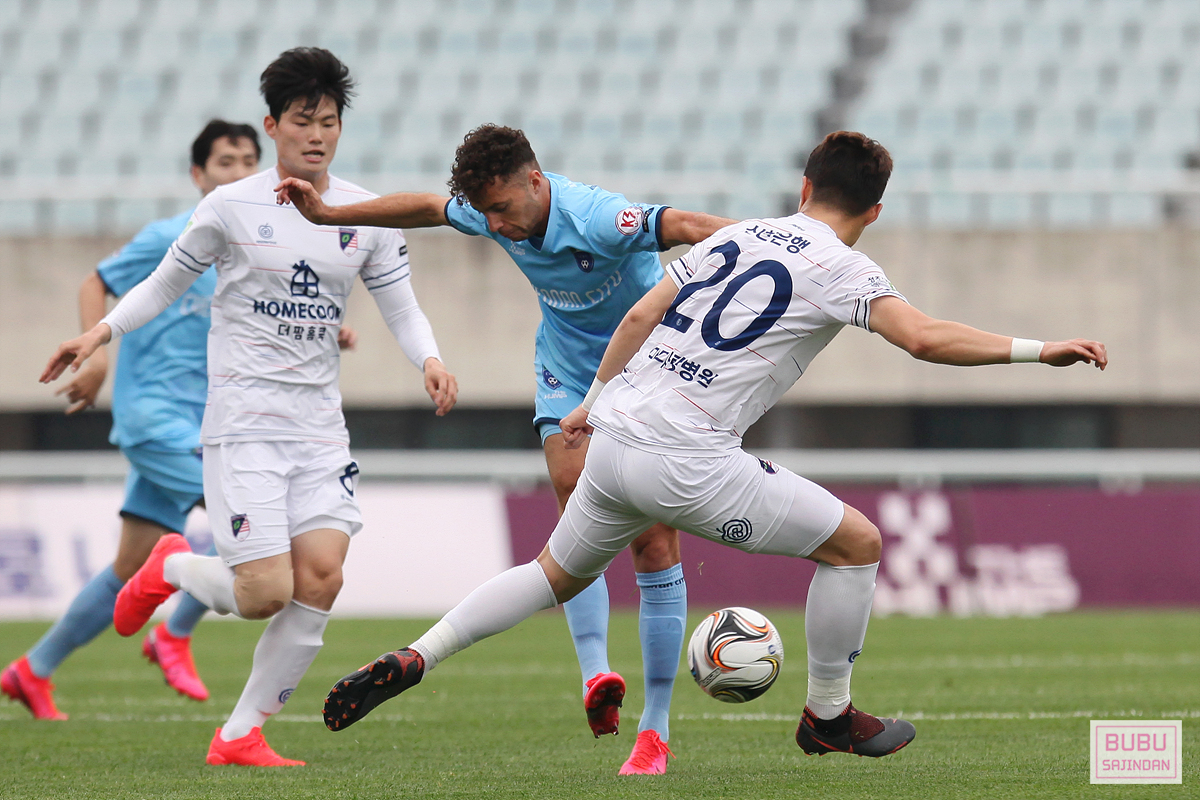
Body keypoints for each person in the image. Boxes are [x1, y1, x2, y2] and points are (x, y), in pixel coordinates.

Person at [317, 131, 1109, 761]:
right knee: (858, 546)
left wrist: (590, 405)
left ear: (803, 188)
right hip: (687, 460)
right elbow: (926, 339)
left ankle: (420, 655)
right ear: (873, 212)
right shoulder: (844, 266)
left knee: (552, 574)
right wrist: (1039, 349)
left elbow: (640, 316)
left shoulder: (746, 233)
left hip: (615, 437)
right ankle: (829, 716)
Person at [39, 47, 457, 767]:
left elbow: (401, 306)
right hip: (244, 425)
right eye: (302, 121)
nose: (317, 135)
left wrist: (431, 359)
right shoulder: (230, 207)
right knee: (264, 593)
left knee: (322, 576)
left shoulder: (366, 216)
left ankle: (240, 734)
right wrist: (100, 333)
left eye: (329, 122)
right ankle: (172, 565)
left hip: (319, 429)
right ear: (272, 127)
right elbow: (164, 284)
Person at [275, 125, 734, 774]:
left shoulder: (600, 218)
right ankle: (595, 675)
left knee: (653, 542)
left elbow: (687, 225)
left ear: (536, 183)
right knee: (576, 511)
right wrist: (327, 214)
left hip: (644, 374)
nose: (494, 225)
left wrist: (777, 245)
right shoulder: (493, 211)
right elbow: (428, 207)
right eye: (485, 212)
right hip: (565, 371)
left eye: (502, 209)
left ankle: (654, 729)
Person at [3, 120, 263, 720]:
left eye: (250, 161)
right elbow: (96, 281)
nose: (239, 173)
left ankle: (31, 670)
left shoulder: (252, 250)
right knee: (253, 519)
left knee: (129, 566)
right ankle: (172, 634)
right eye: (225, 162)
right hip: (154, 419)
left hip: (204, 424)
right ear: (198, 174)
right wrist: (97, 359)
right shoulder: (172, 236)